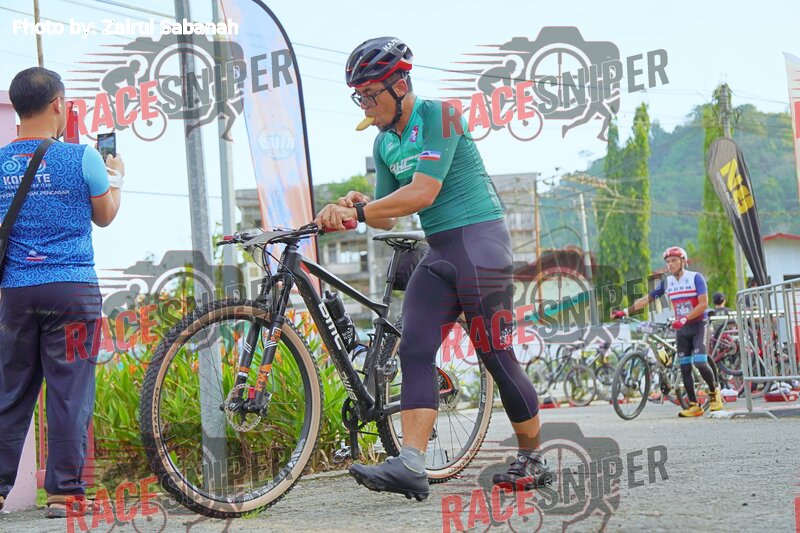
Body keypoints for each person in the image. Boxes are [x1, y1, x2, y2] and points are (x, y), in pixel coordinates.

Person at [314, 37, 553, 501]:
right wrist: (360, 204)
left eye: (370, 94)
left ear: (400, 85)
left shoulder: (441, 116)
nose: (365, 105)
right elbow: (387, 214)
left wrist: (357, 214)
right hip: (440, 251)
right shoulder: (385, 142)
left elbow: (423, 193)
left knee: (495, 354)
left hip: (481, 245)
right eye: (359, 96)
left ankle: (533, 457)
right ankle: (411, 464)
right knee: (414, 348)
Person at [0, 67, 123, 518]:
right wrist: (116, 177)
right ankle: (64, 494)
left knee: (10, 393)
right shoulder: (83, 157)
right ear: (58, 104)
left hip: (17, 292)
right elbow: (104, 216)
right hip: (73, 291)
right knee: (69, 392)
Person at [612, 246, 723, 417]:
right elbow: (647, 299)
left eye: (674, 261)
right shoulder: (667, 282)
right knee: (684, 367)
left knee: (700, 362)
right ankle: (694, 405)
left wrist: (685, 318)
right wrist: (626, 311)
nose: (670, 264)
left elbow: (703, 304)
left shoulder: (695, 278)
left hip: (699, 325)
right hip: (682, 328)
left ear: (683, 261)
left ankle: (714, 392)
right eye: (668, 261)